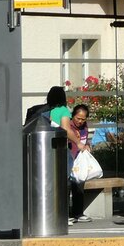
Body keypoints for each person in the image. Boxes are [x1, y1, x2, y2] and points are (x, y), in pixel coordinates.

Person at [46, 85, 91, 224]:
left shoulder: (47, 111)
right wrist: (78, 143)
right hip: (61, 150)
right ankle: (63, 215)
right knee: (64, 183)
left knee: (53, 184)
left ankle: (54, 215)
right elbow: (66, 129)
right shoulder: (63, 110)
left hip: (46, 151)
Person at [69, 103, 93, 223]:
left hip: (80, 160)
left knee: (79, 186)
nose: (80, 121)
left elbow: (86, 140)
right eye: (78, 118)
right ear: (73, 116)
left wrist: (87, 145)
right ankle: (67, 214)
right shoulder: (68, 126)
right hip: (70, 158)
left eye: (83, 119)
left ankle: (78, 212)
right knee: (67, 186)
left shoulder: (84, 127)